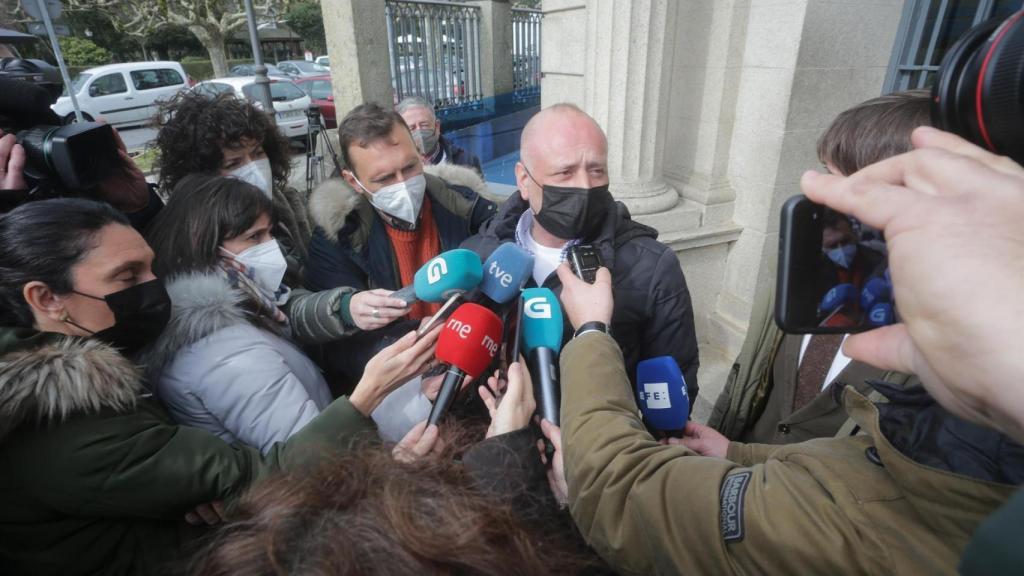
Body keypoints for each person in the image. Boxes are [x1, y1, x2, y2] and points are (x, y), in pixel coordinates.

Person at [543, 257, 1022, 575]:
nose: (821, 235)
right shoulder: (964, 457)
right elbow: (755, 382)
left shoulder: (864, 529)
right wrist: (736, 452)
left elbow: (619, 489)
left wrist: (589, 329)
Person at [0, 198, 397, 575]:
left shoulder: (86, 368)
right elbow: (264, 480)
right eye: (127, 276)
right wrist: (365, 398)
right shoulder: (62, 422)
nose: (155, 285)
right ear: (46, 298)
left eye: (151, 268)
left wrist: (202, 488)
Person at [141, 175, 439, 454]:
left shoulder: (253, 313)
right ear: (204, 248)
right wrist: (409, 398)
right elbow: (319, 460)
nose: (270, 247)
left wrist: (416, 393)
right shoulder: (226, 356)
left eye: (270, 233)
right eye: (254, 237)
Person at [710, 91, 929, 443]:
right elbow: (748, 371)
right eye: (828, 174)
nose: (822, 197)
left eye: (854, 188)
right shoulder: (798, 265)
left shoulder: (946, 343)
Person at [462, 102, 700, 398]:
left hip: (598, 441)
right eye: (565, 172)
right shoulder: (478, 259)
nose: (585, 187)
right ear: (524, 180)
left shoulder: (652, 267)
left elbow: (672, 390)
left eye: (596, 170)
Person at [304, 102, 497, 331]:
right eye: (384, 178)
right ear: (352, 181)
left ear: (420, 154)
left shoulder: (469, 207)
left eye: (409, 168)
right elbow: (346, 346)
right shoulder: (336, 239)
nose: (403, 184)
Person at [155, 91, 312, 271]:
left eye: (258, 153)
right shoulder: (200, 232)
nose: (254, 168)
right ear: (203, 175)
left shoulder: (283, 200)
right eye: (233, 163)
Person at [396, 95, 484, 175]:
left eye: (424, 125)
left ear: (437, 126)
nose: (419, 131)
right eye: (412, 128)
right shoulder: (395, 169)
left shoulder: (466, 161)